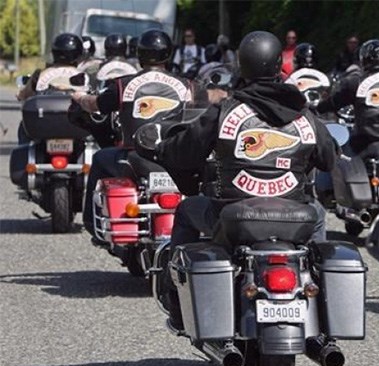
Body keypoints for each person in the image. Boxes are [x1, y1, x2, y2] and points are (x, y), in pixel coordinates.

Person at [134, 30, 336, 330]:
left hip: (233, 217)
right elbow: (329, 158)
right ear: (280, 64)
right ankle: (324, 302)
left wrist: (161, 147)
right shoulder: (303, 115)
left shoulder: (225, 112)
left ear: (242, 65)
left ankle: (176, 303)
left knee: (187, 211)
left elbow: (184, 151)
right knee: (318, 214)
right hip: (297, 219)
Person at [71, 29, 195, 240]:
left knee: (100, 158)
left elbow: (96, 105)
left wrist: (80, 97)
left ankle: (92, 224)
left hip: (134, 157)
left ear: (140, 55)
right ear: (169, 54)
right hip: (175, 157)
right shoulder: (187, 86)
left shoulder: (124, 85)